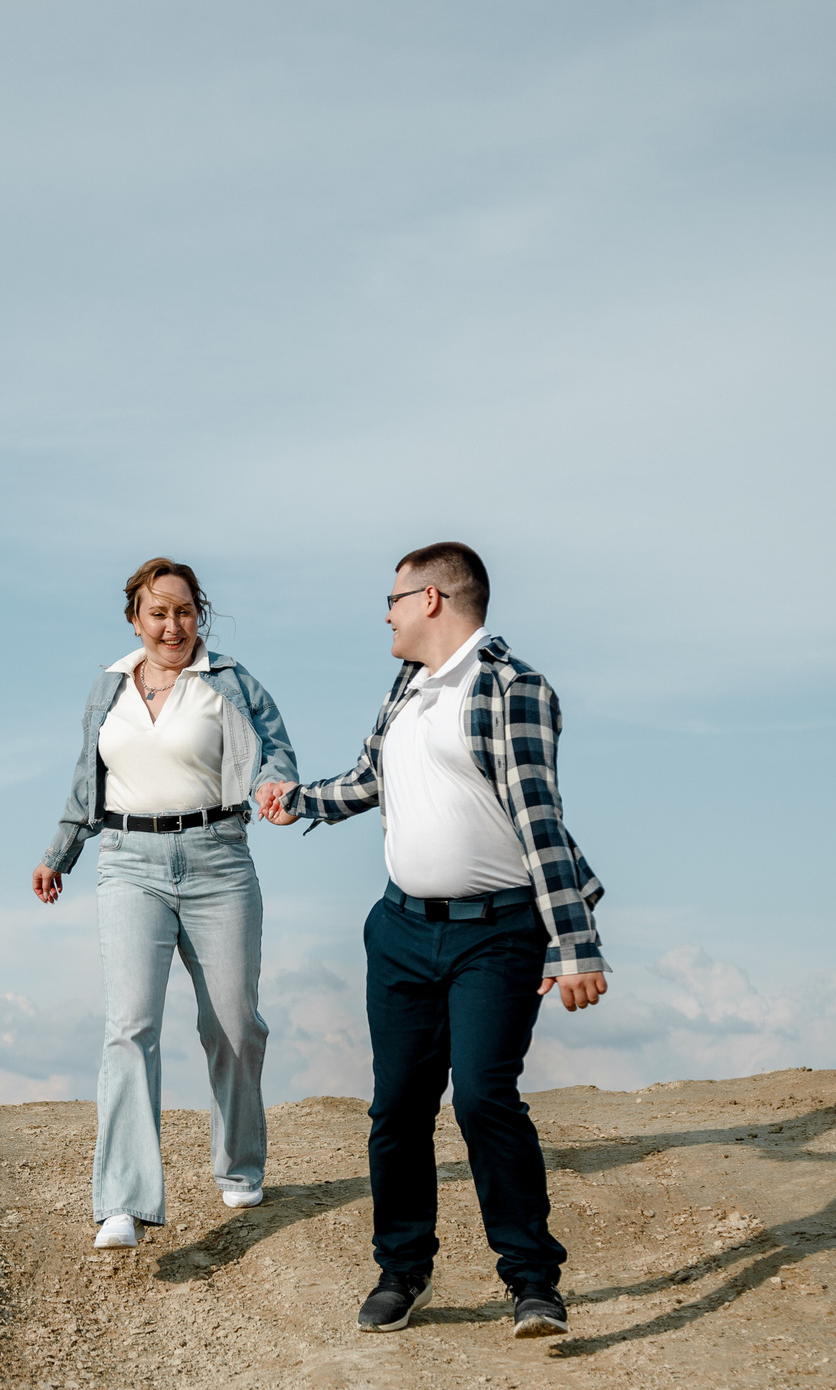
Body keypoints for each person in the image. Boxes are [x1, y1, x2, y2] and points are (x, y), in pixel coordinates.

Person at [258, 542, 606, 1339]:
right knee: (399, 1110)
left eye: (394, 597)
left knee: (484, 1098)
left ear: (436, 599)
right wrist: (300, 799)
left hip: (498, 934)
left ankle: (532, 1282)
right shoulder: (408, 686)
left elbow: (539, 821)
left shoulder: (510, 688)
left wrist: (574, 944)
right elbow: (372, 777)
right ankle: (402, 1270)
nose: (385, 612)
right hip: (402, 932)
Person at [35, 558, 299, 1250]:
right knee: (131, 1023)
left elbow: (275, 752)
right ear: (135, 619)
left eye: (184, 612)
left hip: (219, 858)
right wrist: (57, 854)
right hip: (130, 864)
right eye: (158, 612)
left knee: (234, 1023)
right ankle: (121, 1199)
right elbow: (84, 782)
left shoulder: (230, 681)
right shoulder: (109, 687)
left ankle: (238, 1164)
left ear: (198, 616)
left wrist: (275, 788)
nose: (172, 625)